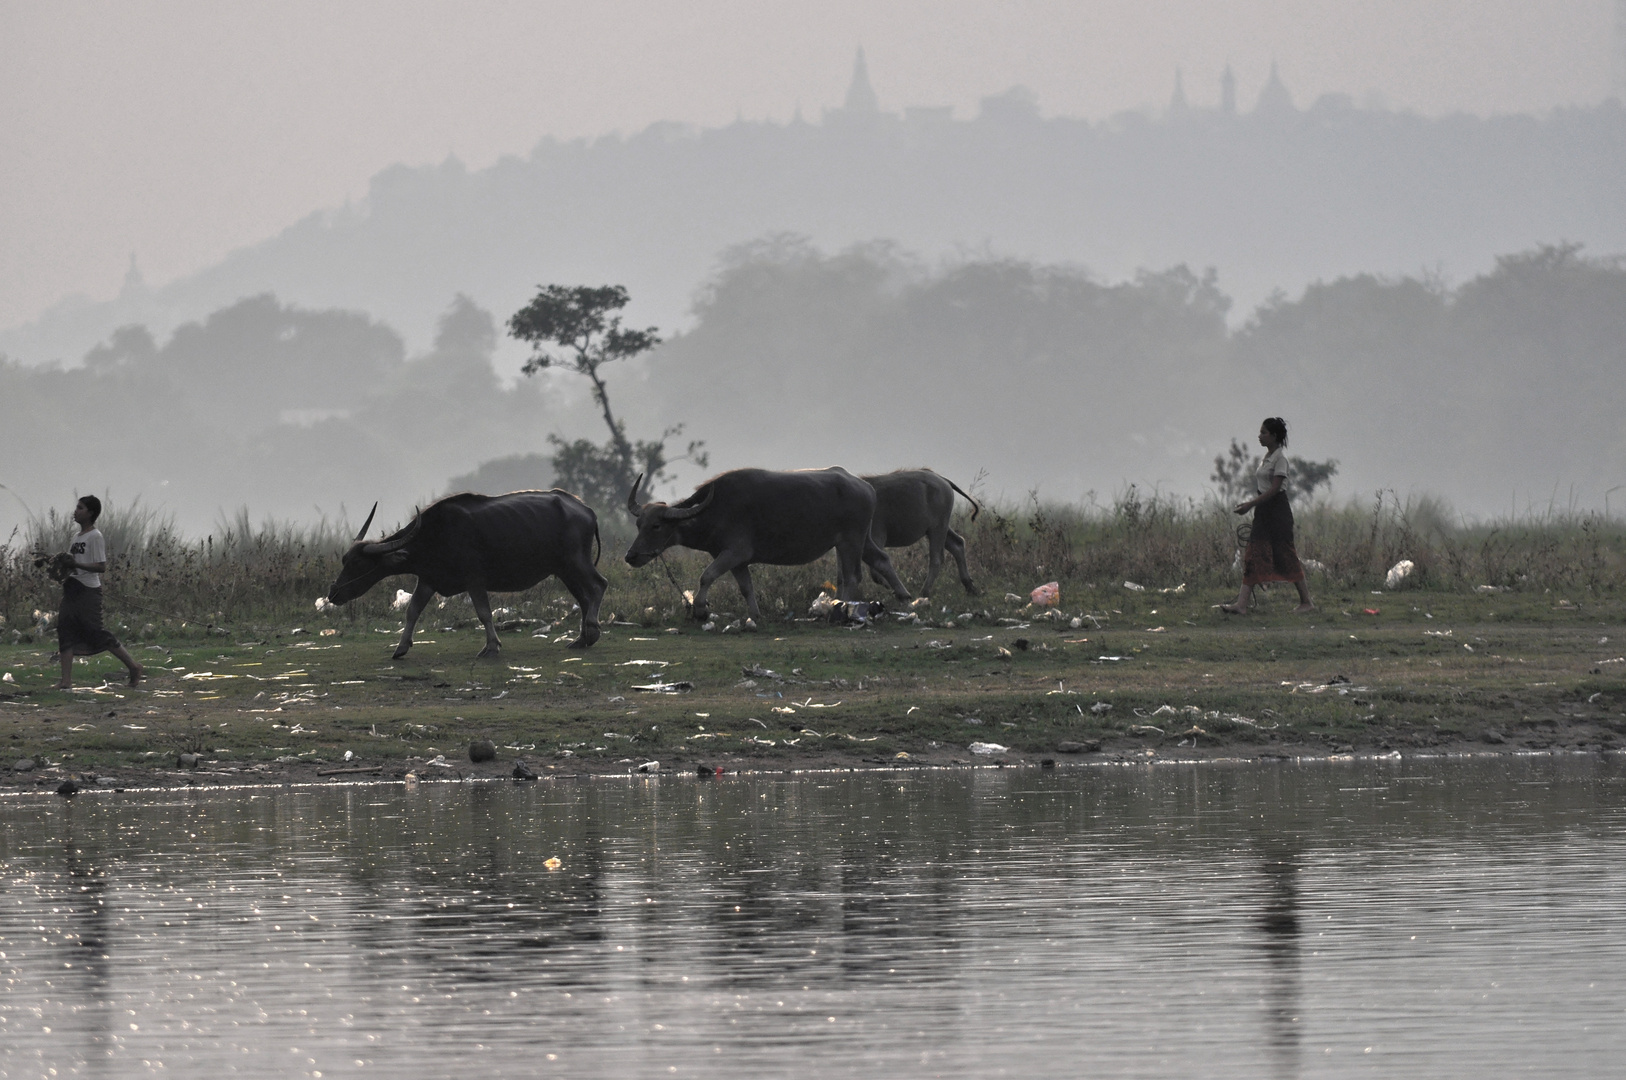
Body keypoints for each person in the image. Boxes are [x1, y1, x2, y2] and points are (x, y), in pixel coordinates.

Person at [1222, 418, 1314, 615]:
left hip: (1277, 512)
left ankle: (1306, 602)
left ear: (1273, 436)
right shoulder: (1267, 457)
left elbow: (1274, 490)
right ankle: (1241, 605)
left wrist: (1250, 505)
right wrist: (1254, 506)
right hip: (1263, 512)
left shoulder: (1280, 459)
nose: (1260, 436)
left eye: (1264, 433)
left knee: (1286, 554)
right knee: (1253, 554)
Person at [53, 495, 143, 689]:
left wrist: (75, 563)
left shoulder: (95, 536)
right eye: (76, 507)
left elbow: (101, 567)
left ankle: (134, 667)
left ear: (91, 513)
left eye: (80, 508)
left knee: (96, 632)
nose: (75, 511)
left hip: (88, 591)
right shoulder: (76, 537)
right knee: (65, 629)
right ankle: (66, 681)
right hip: (72, 589)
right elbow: (72, 563)